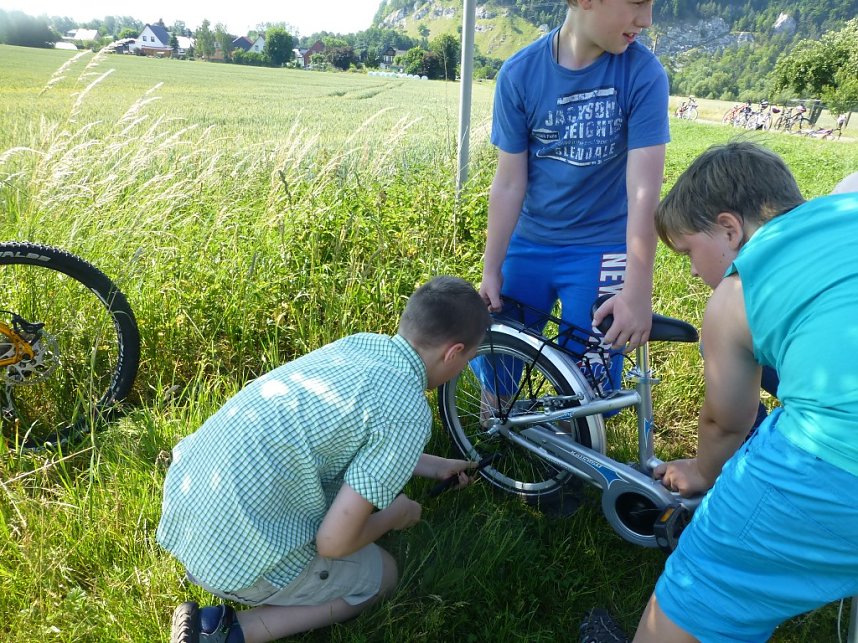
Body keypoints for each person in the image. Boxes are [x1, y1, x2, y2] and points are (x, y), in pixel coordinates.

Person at [581, 143, 858, 642]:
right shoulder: (846, 209)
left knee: (704, 581)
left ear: (730, 230)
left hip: (830, 464)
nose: (690, 270)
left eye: (689, 251)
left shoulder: (735, 294)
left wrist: (703, 470)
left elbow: (726, 421)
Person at [157, 276, 491, 643]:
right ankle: (223, 632)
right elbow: (333, 542)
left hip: (188, 511)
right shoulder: (408, 411)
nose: (462, 368)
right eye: (468, 360)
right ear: (453, 352)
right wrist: (395, 516)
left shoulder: (363, 345)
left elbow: (353, 432)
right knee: (383, 576)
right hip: (238, 561)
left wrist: (434, 465)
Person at [480, 0, 669, 391]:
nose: (646, 20)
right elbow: (509, 182)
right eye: (637, 2)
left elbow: (644, 190)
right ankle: (493, 443)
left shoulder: (643, 73)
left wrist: (637, 289)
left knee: (590, 383)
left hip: (602, 250)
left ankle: (573, 443)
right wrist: (491, 267)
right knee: (499, 361)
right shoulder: (520, 74)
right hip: (529, 244)